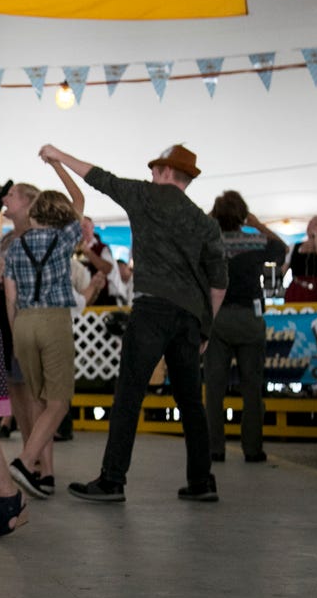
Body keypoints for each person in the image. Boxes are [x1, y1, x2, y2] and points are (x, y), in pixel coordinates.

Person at [40, 143, 227, 503]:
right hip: (189, 317)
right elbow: (219, 284)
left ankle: (112, 479)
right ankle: (202, 481)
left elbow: (98, 177)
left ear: (167, 172)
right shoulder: (206, 224)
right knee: (191, 401)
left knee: (129, 393)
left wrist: (59, 155)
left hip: (152, 310)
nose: (151, 175)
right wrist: (206, 328)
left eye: (156, 170)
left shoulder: (145, 195)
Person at [3, 162, 87, 500]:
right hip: (53, 319)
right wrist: (57, 164)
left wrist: (17, 330)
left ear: (33, 214)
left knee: (38, 402)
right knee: (59, 401)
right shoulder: (63, 239)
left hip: (23, 322)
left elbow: (10, 298)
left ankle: (46, 475)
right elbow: (79, 198)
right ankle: (25, 462)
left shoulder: (13, 246)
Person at [204, 192, 289, 463]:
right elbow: (282, 248)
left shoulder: (209, 243)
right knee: (252, 388)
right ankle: (252, 449)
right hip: (249, 319)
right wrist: (257, 223)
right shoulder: (255, 241)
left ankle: (214, 448)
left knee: (214, 388)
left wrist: (209, 220)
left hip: (217, 318)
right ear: (243, 216)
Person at [282, 215, 317, 302]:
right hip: (296, 290)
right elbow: (283, 270)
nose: (311, 226)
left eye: (316, 224)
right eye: (310, 223)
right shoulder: (294, 247)